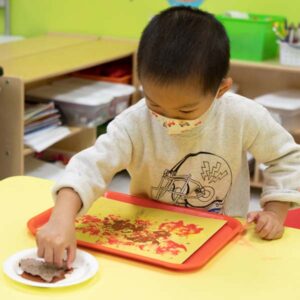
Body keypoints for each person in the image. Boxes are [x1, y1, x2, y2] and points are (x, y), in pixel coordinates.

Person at [36, 6, 300, 268]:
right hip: (150, 236)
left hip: (224, 238)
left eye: (186, 110)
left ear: (221, 89)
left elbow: (285, 156)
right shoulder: (134, 122)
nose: (170, 119)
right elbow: (89, 166)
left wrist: (275, 212)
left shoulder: (242, 115)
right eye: (155, 104)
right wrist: (61, 219)